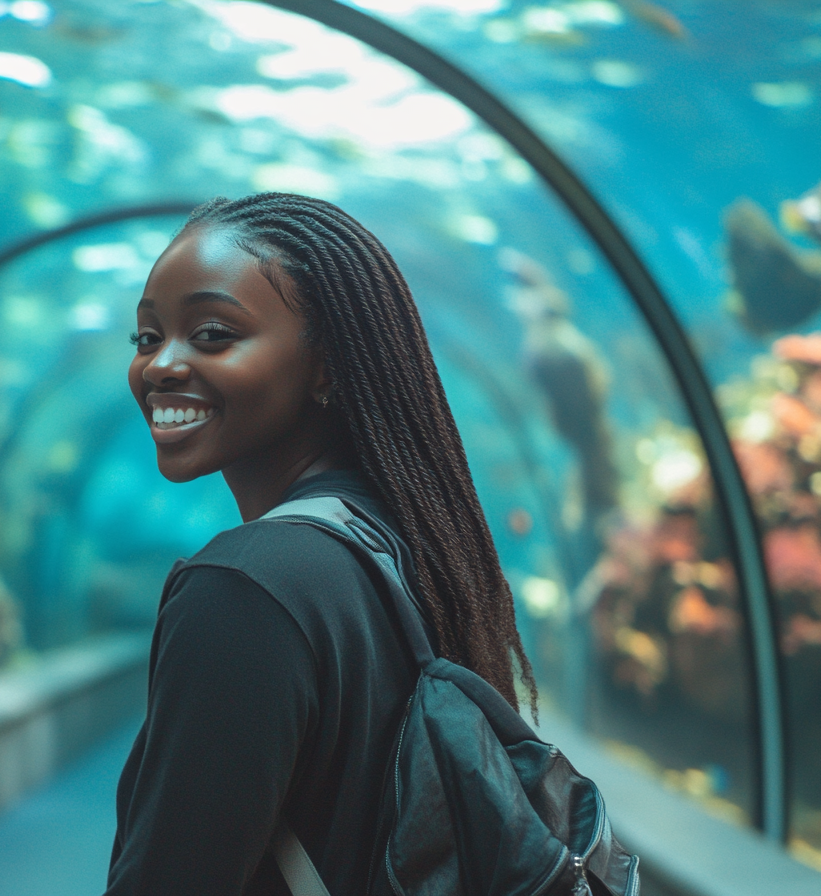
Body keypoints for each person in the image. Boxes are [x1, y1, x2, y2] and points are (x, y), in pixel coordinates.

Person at [107, 193, 535, 896]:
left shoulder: (244, 589)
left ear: (328, 364)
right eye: (148, 337)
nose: (160, 366)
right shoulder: (398, 550)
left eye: (213, 333)